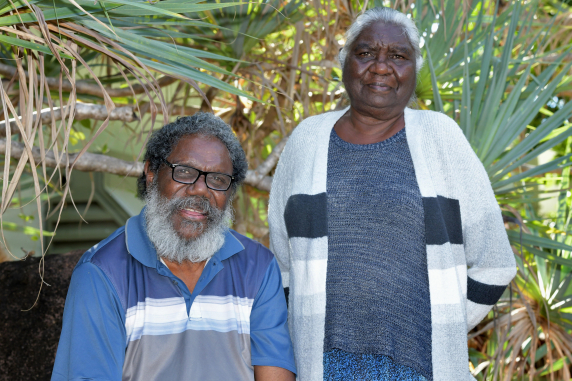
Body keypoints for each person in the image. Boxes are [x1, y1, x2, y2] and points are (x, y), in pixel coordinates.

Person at [268, 7, 516, 381]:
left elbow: (496, 262)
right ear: (344, 62)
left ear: (414, 69)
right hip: (322, 365)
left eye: (398, 56)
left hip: (419, 366)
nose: (381, 67)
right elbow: (283, 264)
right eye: (365, 53)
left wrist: (439, 327)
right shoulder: (306, 140)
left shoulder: (442, 138)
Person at [52, 113, 296, 381]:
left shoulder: (258, 267)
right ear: (151, 173)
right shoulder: (101, 273)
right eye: (185, 172)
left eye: (217, 179)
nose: (201, 190)